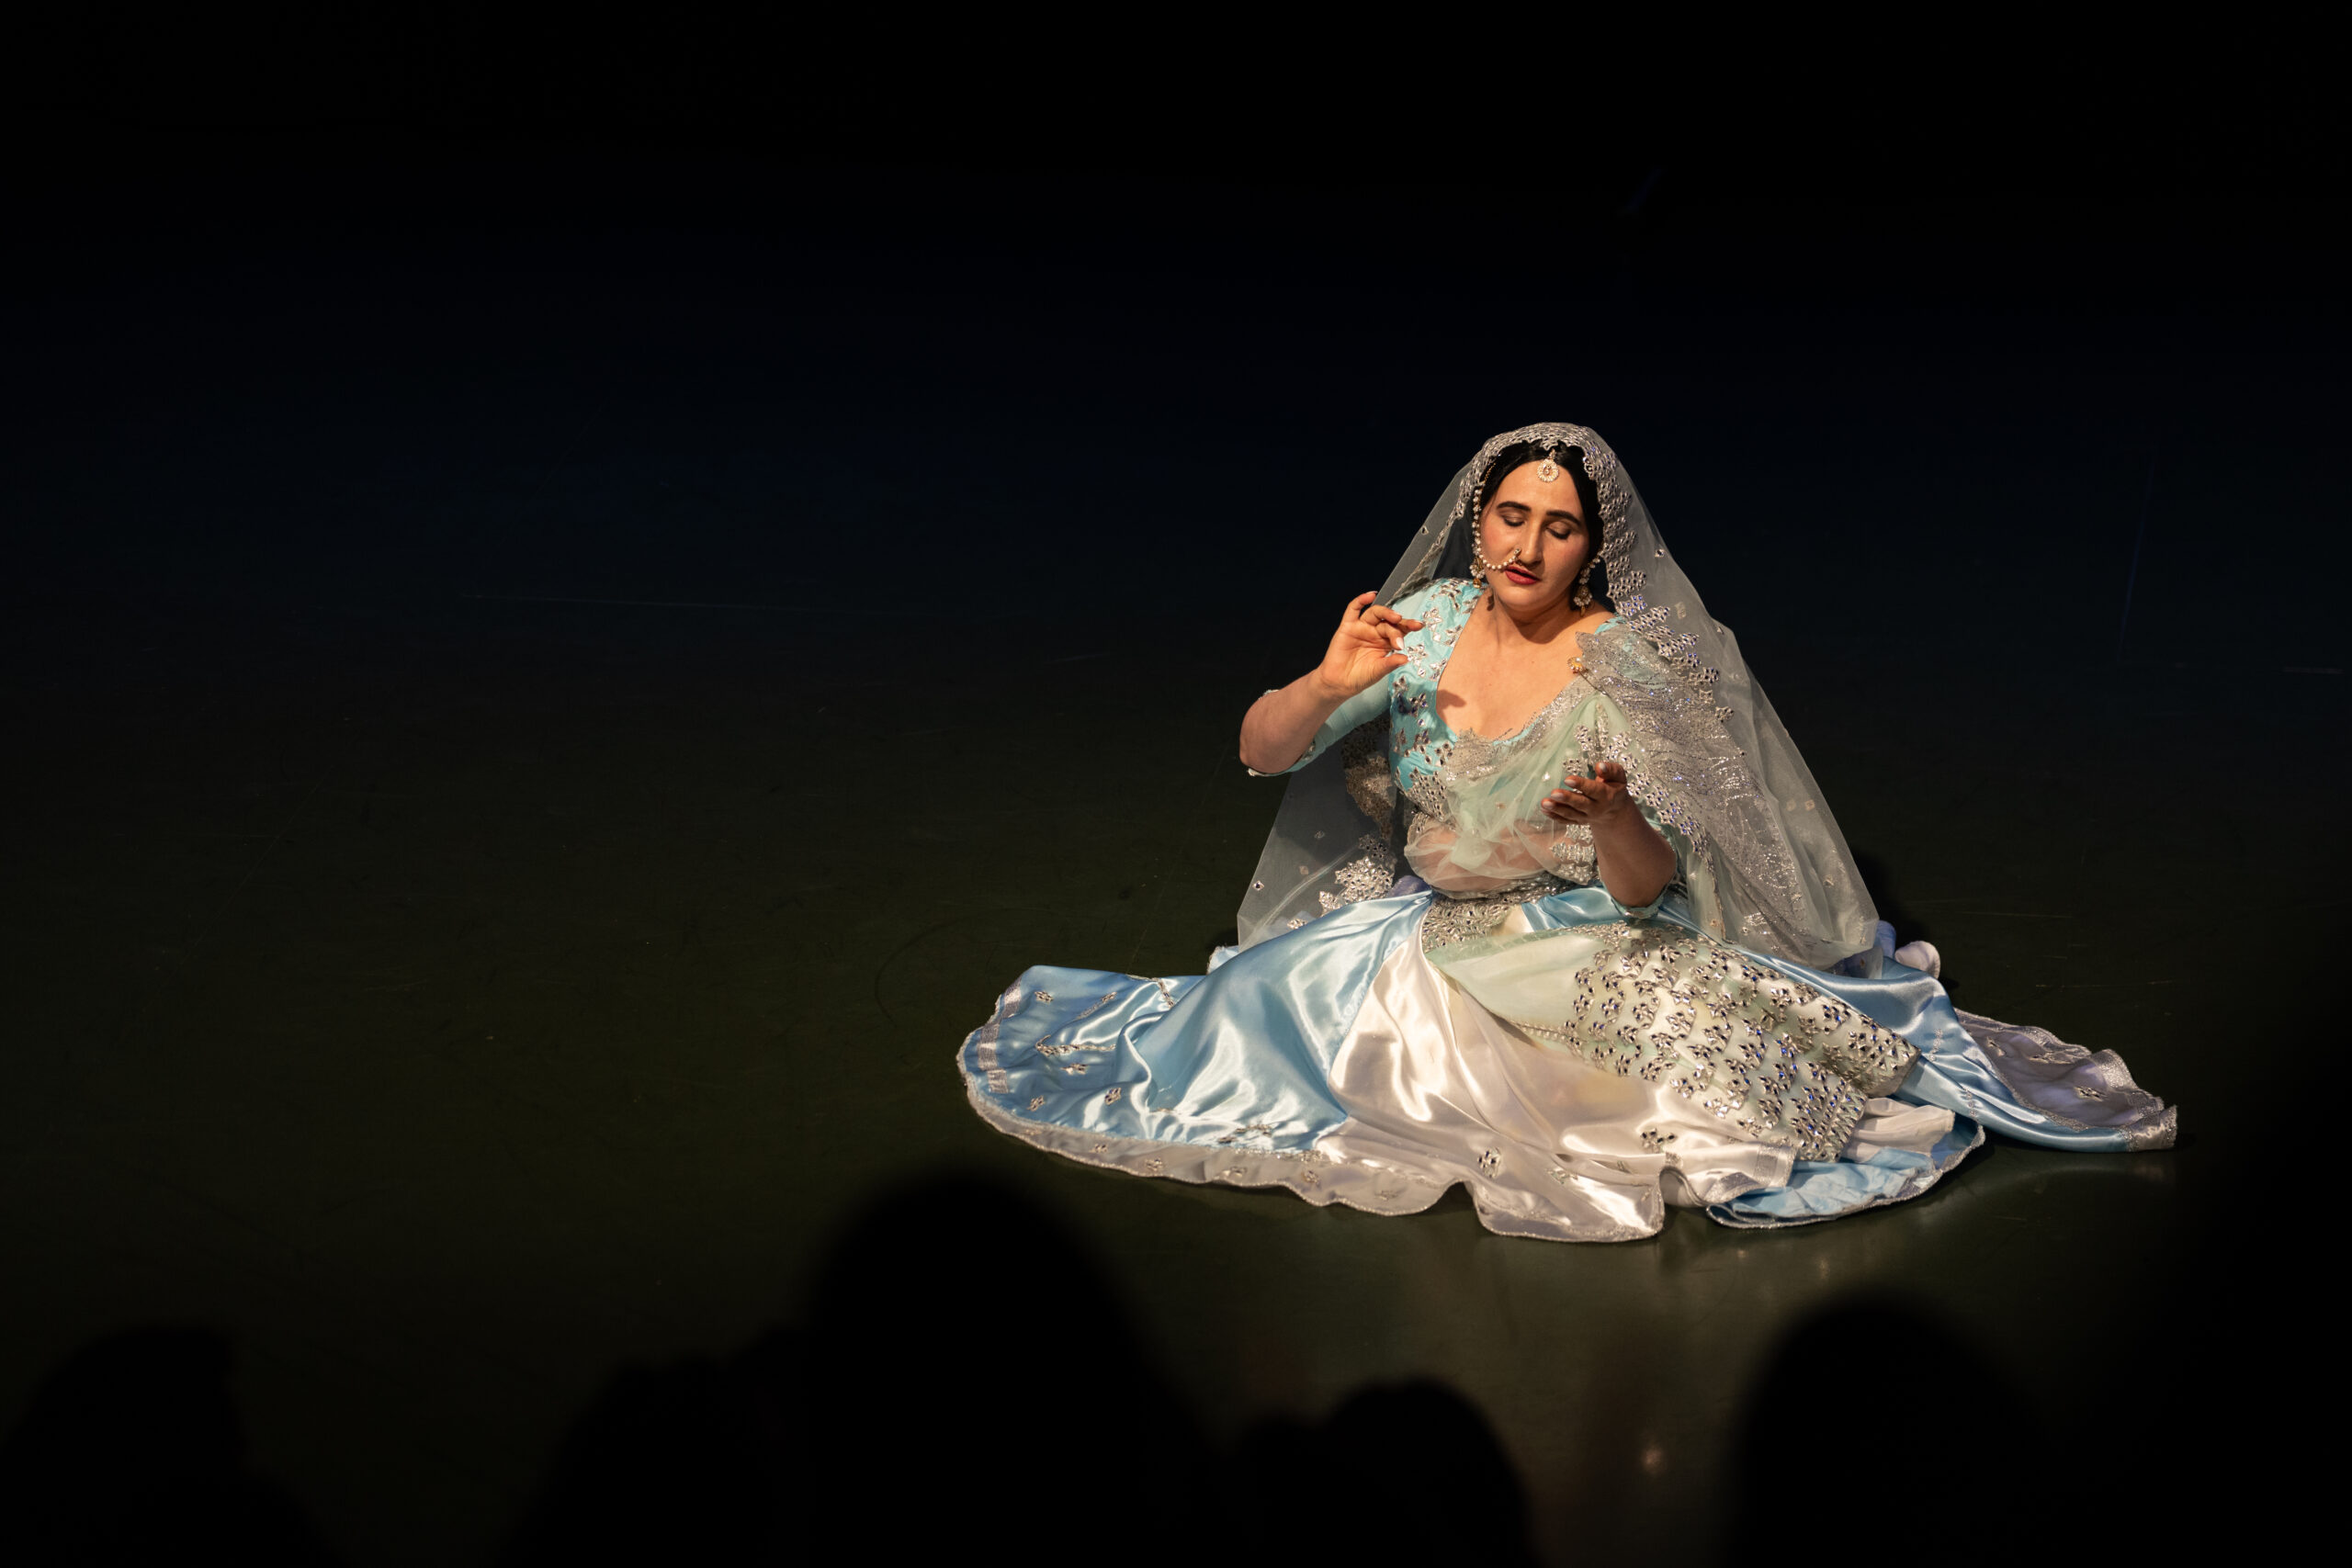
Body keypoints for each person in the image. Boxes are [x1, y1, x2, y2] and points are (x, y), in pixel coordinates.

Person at [957, 423, 2173, 1240]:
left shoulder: (1622, 670)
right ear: (1478, 518)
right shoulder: (1424, 627)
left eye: (1559, 526)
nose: (1527, 547)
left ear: (1595, 547)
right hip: (1420, 943)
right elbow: (1259, 751)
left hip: (1583, 943)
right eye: (1510, 516)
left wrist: (1620, 814)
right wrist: (1328, 687)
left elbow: (1645, 893)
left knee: (1729, 1109)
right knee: (1218, 1041)